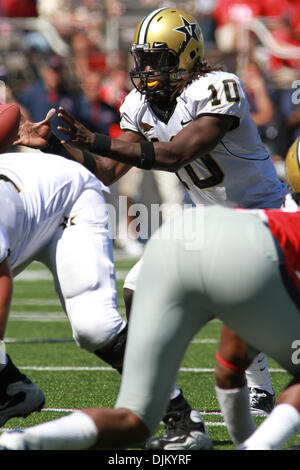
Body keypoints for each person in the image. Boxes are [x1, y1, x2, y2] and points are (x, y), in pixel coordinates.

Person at [47, 6, 293, 449]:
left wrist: (96, 139)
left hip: (263, 218)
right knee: (138, 292)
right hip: (205, 222)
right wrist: (58, 145)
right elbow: (105, 169)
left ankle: (260, 389)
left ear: (187, 55)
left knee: (256, 309)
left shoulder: (218, 87)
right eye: (142, 59)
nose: (145, 70)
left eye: (157, 59)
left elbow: (179, 152)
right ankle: (170, 405)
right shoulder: (139, 103)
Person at [1, 139, 300, 450]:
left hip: (180, 238)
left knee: (138, 418)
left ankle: (24, 443)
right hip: (247, 250)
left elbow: (229, 372)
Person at [0, 105, 128, 427]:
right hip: (24, 209)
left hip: (68, 199)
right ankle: (12, 389)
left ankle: (180, 413)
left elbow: (1, 282)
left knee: (94, 327)